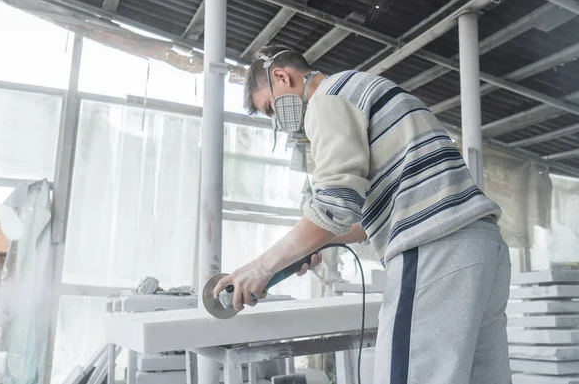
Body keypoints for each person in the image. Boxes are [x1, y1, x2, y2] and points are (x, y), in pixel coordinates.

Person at [214, 46, 512, 384]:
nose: (277, 121)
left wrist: (261, 267)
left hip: (434, 248)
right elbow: (353, 221)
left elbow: (334, 204)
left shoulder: (326, 99)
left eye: (270, 107)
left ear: (281, 76)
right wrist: (310, 245)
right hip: (482, 247)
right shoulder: (364, 89)